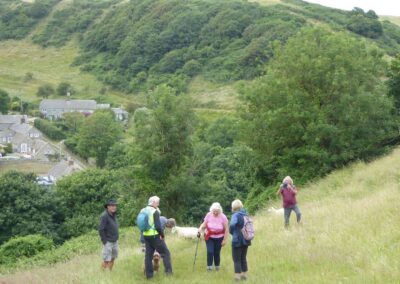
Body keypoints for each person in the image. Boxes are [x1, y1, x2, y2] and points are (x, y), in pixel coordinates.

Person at [142, 196, 173, 279]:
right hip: (155, 236)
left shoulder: (143, 210)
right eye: (157, 203)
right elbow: (158, 226)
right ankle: (168, 273)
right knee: (166, 253)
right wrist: (162, 235)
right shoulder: (154, 211)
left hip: (146, 236)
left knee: (148, 256)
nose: (158, 204)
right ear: (153, 203)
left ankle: (149, 276)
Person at [197, 202, 229, 272]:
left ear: (219, 211)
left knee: (216, 253)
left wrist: (224, 240)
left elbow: (226, 229)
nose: (215, 213)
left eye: (217, 212)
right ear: (211, 210)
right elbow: (204, 224)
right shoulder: (209, 215)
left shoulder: (223, 217)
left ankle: (217, 267)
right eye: (214, 211)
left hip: (219, 237)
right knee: (210, 251)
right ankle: (209, 268)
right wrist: (200, 229)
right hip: (209, 236)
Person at [230, 199, 251, 281]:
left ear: (233, 207)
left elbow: (232, 224)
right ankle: (244, 275)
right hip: (246, 239)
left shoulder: (235, 215)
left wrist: (231, 232)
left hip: (237, 239)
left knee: (236, 259)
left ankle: (237, 277)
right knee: (243, 257)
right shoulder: (245, 214)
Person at [99, 199, 119, 271]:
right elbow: (101, 229)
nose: (114, 207)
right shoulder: (104, 216)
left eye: (115, 205)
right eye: (112, 205)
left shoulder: (113, 214)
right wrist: (105, 241)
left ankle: (109, 271)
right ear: (108, 207)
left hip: (115, 241)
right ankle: (101, 273)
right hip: (108, 242)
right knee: (106, 260)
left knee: (113, 257)